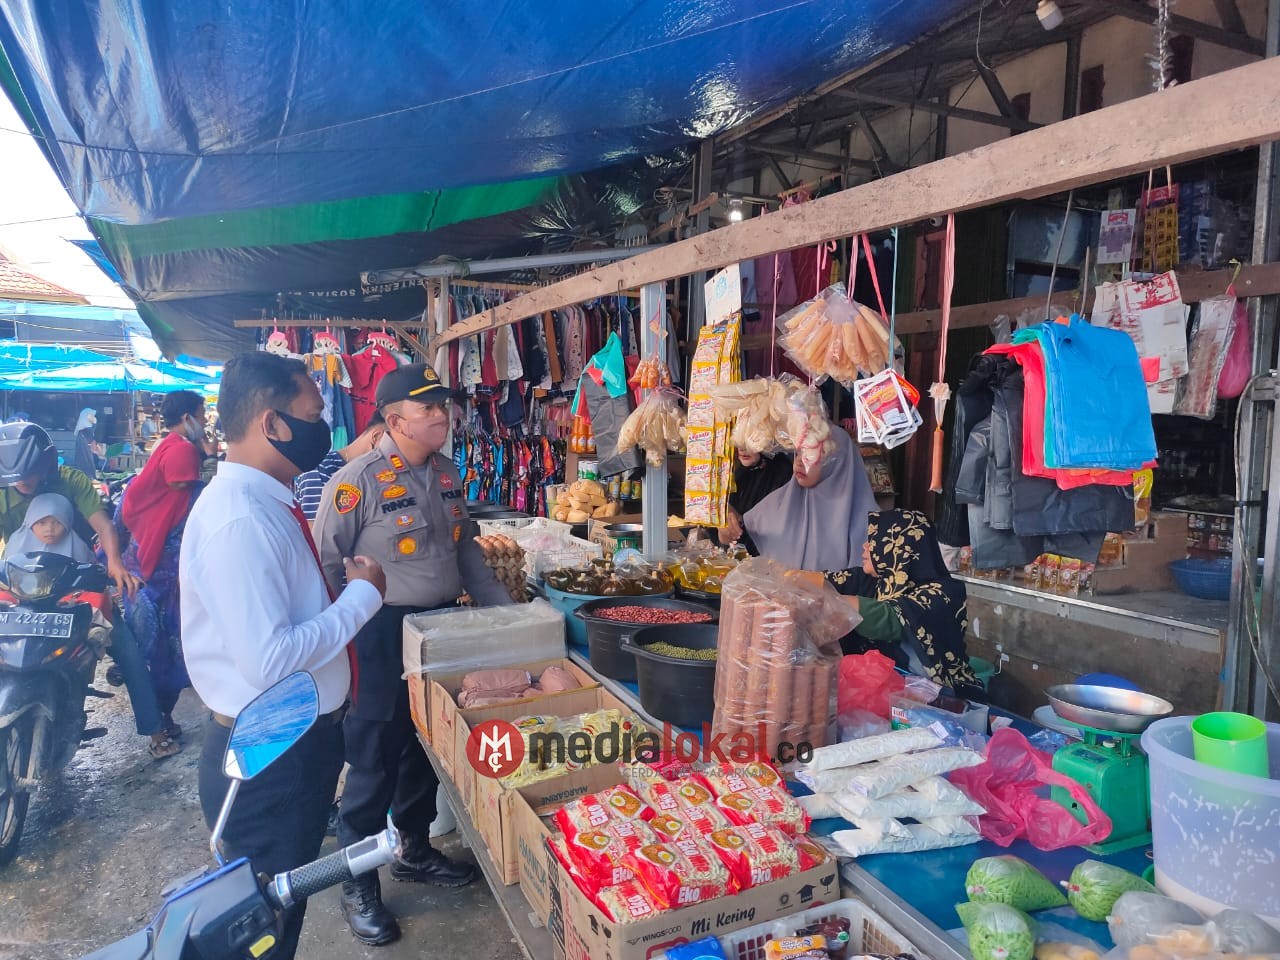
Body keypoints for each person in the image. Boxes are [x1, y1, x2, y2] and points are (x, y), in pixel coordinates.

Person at [180, 352, 386, 960]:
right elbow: (268, 662)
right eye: (314, 413)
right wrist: (362, 598)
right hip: (271, 758)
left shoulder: (267, 501)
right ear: (273, 424)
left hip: (292, 747)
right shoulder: (239, 520)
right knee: (260, 935)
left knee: (276, 919)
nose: (325, 425)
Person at [314, 363, 511, 947]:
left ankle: (415, 849)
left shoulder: (447, 474)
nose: (443, 416)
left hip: (441, 627)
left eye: (443, 406)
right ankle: (358, 882)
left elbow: (467, 552)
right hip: (379, 632)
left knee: (427, 746)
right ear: (395, 421)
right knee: (374, 757)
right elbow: (325, 562)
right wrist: (335, 638)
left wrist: (505, 612)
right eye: (430, 409)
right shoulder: (357, 481)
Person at [0, 423, 176, 757]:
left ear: (46, 464)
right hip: (21, 587)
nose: (22, 483)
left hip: (75, 581)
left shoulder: (72, 481)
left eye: (29, 473)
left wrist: (115, 563)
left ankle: (155, 730)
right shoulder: (3, 489)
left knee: (126, 649)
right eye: (15, 477)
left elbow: (104, 525)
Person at [117, 390, 210, 754]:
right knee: (164, 652)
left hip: (146, 569)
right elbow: (180, 484)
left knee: (157, 652)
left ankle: (162, 722)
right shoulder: (181, 452)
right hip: (158, 575)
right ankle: (158, 727)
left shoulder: (163, 448)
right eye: (202, 414)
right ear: (188, 416)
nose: (203, 421)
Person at [825, 509, 982, 696]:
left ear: (900, 546)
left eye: (875, 540)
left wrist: (828, 602)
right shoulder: (876, 581)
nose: (865, 546)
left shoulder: (943, 592)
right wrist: (787, 583)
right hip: (891, 695)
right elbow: (819, 581)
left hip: (943, 702)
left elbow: (889, 619)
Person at [741, 427, 877, 572]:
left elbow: (867, 583)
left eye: (810, 455)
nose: (799, 462)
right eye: (798, 453)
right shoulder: (778, 504)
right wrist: (728, 525)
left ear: (836, 461)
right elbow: (744, 545)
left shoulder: (872, 525)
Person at [294, 411, 385, 522]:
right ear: (376, 437)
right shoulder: (319, 470)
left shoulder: (377, 474)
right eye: (393, 446)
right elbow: (314, 532)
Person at [717, 449, 793, 554]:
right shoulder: (739, 473)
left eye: (750, 440)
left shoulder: (782, 471)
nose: (742, 448)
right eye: (738, 440)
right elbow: (727, 538)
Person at [2, 493, 95, 562]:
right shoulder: (15, 545)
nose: (49, 529)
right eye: (42, 523)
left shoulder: (79, 549)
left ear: (67, 523)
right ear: (30, 523)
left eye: (57, 522)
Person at [74, 407, 102, 478]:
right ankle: (88, 476)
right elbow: (91, 432)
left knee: (86, 460)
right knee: (85, 460)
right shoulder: (85, 427)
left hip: (84, 443)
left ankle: (87, 476)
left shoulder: (86, 426)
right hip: (83, 444)